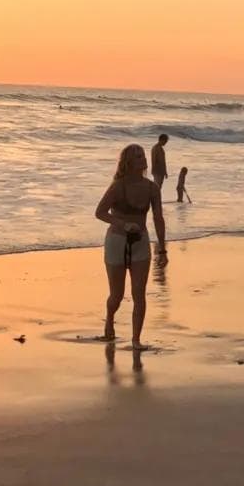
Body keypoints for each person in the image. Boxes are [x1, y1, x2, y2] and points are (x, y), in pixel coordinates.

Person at [95, 144, 166, 350]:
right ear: (128, 162)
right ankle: (110, 318)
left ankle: (136, 340)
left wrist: (162, 248)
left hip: (141, 242)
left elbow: (158, 218)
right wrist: (123, 224)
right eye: (137, 156)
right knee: (117, 295)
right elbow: (100, 212)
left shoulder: (152, 188)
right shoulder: (118, 186)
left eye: (143, 155)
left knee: (139, 294)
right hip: (117, 242)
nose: (142, 159)